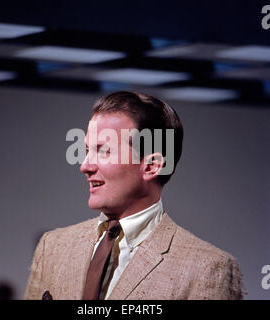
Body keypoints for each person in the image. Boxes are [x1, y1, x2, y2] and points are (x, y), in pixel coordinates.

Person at [24, 91, 244, 300]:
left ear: (151, 166)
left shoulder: (208, 267)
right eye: (87, 150)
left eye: (104, 151)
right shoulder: (52, 246)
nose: (85, 165)